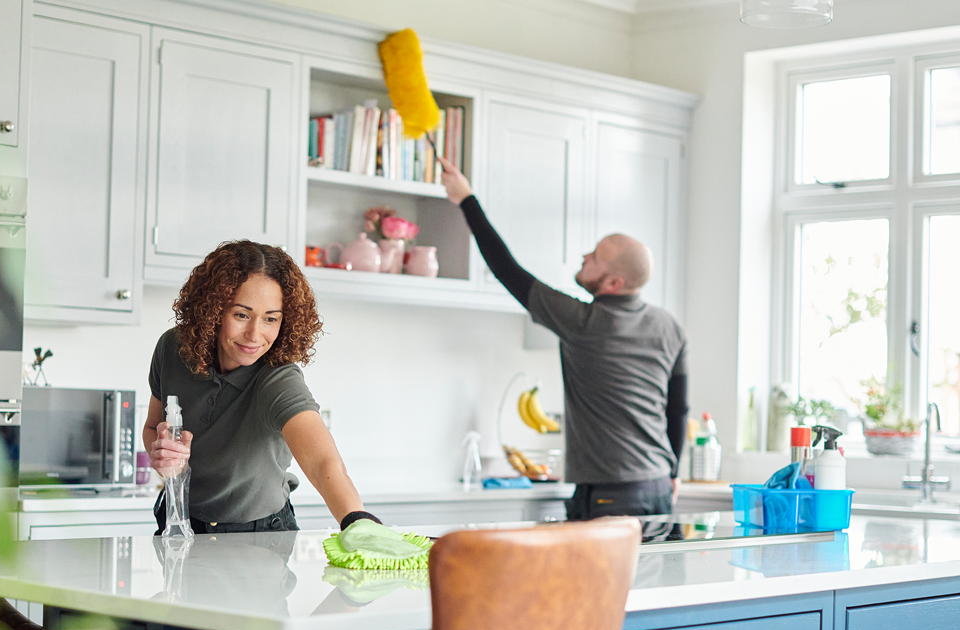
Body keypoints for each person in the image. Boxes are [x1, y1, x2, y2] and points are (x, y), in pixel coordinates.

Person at [439, 160, 689, 520]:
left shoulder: (586, 321)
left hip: (609, 494)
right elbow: (678, 409)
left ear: (614, 283)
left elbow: (507, 270)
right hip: (659, 486)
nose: (585, 256)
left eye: (596, 257)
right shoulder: (670, 326)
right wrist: (675, 471)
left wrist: (467, 199)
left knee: (597, 580)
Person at [144, 240, 379, 533]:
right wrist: (162, 455)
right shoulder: (173, 348)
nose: (255, 335)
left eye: (271, 319)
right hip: (180, 525)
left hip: (260, 533)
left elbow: (322, 461)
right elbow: (153, 427)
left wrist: (357, 521)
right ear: (213, 310)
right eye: (241, 315)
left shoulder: (277, 377)